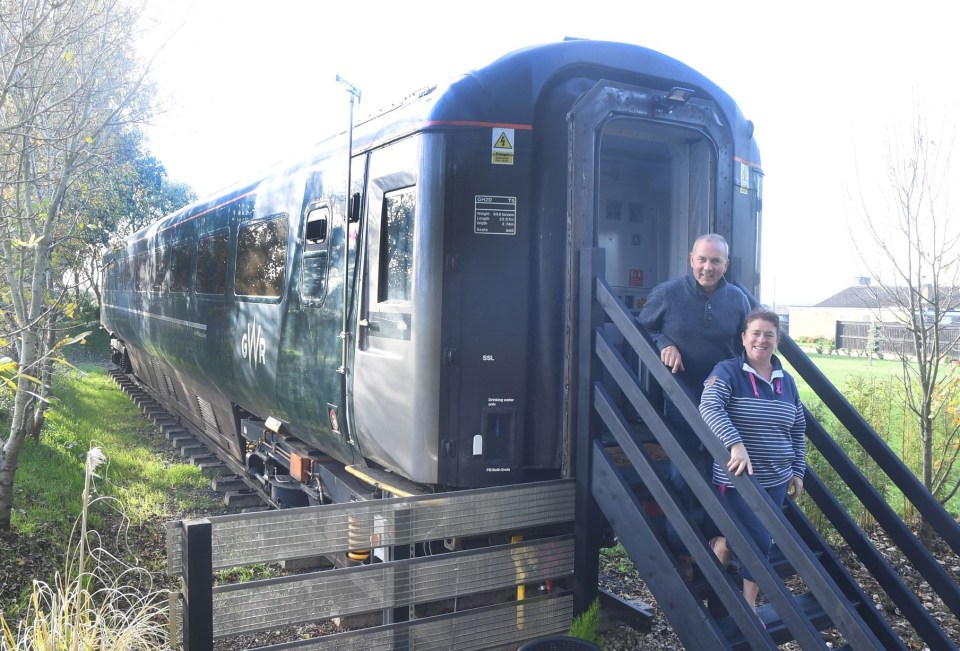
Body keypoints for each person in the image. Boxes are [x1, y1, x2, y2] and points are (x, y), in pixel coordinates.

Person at [636, 233, 750, 567]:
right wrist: (663, 343)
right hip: (680, 399)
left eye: (716, 261)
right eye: (702, 259)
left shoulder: (738, 300)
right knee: (681, 473)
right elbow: (640, 329)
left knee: (723, 472)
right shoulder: (668, 294)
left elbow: (743, 344)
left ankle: (720, 541)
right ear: (691, 259)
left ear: (725, 264)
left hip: (723, 401)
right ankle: (683, 547)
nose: (708, 267)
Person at [699, 307, 806, 614]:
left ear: (777, 340)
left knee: (757, 539)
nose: (761, 340)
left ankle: (722, 545)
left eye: (768, 335)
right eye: (755, 333)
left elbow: (798, 428)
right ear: (744, 338)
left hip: (777, 479)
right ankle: (748, 604)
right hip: (738, 480)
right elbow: (709, 407)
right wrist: (735, 445)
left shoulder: (787, 381)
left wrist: (798, 470)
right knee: (759, 541)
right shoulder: (727, 371)